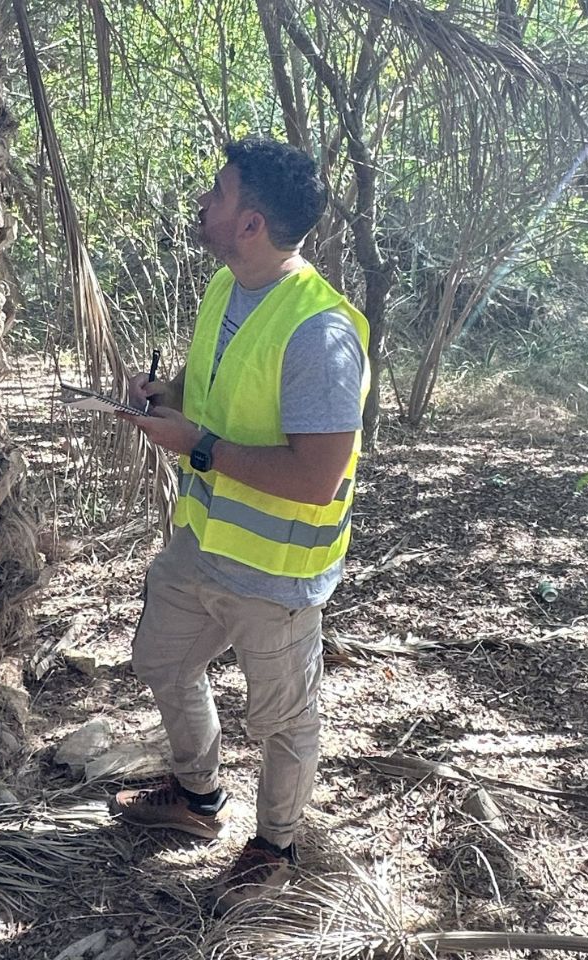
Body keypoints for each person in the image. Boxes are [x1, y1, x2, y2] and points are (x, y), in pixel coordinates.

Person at [111, 138, 369, 911]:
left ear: (250, 223)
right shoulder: (229, 287)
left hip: (277, 574)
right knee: (162, 661)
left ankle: (275, 845)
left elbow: (316, 478)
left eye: (217, 194)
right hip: (202, 545)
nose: (205, 204)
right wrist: (167, 394)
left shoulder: (321, 335)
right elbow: (215, 380)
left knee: (282, 721)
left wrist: (199, 446)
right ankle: (196, 798)